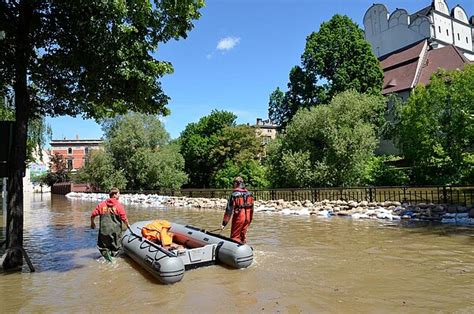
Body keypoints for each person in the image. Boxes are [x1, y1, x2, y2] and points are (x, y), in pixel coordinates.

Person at [90, 187, 130, 261]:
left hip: (104, 231)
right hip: (115, 232)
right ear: (114, 195)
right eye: (118, 194)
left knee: (103, 247)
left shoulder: (101, 205)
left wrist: (92, 223)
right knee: (116, 248)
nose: (119, 195)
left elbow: (93, 215)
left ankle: (107, 258)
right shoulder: (119, 206)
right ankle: (113, 259)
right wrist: (128, 226)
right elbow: (124, 219)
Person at [221, 176, 254, 244]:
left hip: (239, 217)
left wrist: (224, 224)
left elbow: (229, 210)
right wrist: (250, 220)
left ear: (236, 183)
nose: (233, 185)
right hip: (247, 218)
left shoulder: (234, 194)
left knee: (235, 236)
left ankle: (234, 250)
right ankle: (243, 249)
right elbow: (252, 209)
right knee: (243, 235)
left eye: (233, 183)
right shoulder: (250, 194)